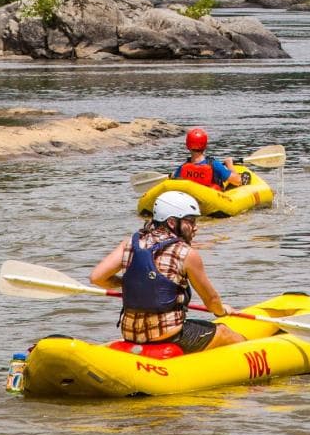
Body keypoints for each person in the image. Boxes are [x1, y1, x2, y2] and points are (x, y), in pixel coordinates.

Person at [88, 192, 241, 353]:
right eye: (190, 221)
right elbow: (211, 301)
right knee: (224, 331)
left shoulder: (130, 243)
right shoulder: (186, 253)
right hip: (169, 335)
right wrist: (223, 311)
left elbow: (97, 278)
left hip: (130, 335)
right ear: (172, 222)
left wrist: (132, 284)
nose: (195, 227)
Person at [171, 127, 238, 188]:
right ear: (205, 146)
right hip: (211, 196)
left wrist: (173, 174)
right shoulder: (214, 165)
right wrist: (229, 164)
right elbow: (237, 181)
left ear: (187, 146)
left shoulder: (182, 168)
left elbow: (173, 176)